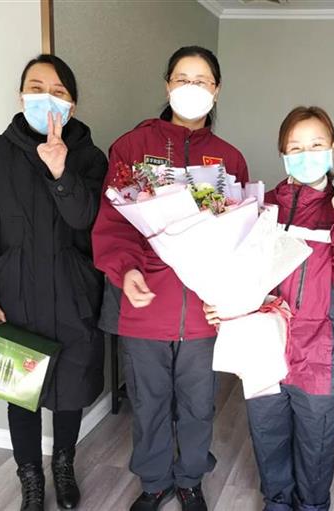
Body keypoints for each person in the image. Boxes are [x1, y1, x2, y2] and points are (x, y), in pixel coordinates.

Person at [206, 106, 334, 510]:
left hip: (322, 351)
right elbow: (236, 272)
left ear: (333, 147)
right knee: (267, 436)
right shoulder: (260, 206)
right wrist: (222, 307)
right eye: (296, 147)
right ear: (283, 153)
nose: (307, 154)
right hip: (263, 347)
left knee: (315, 446)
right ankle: (276, 503)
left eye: (317, 144)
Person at [91, 46, 248, 511]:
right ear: (167, 85)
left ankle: (191, 479)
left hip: (202, 312)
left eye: (202, 80)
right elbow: (115, 222)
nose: (191, 88)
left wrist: (230, 296)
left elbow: (239, 238)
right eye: (182, 78)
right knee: (149, 402)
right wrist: (126, 270)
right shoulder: (132, 148)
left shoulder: (228, 159)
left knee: (199, 403)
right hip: (144, 305)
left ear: (217, 90)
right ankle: (155, 482)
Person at [0, 54, 108, 511]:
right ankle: (30, 476)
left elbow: (89, 221)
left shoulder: (91, 158)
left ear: (72, 105)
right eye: (36, 88)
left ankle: (63, 463)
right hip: (13, 299)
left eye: (58, 92)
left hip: (74, 296)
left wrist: (62, 171)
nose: (46, 98)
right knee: (19, 393)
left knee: (71, 390)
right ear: (21, 97)